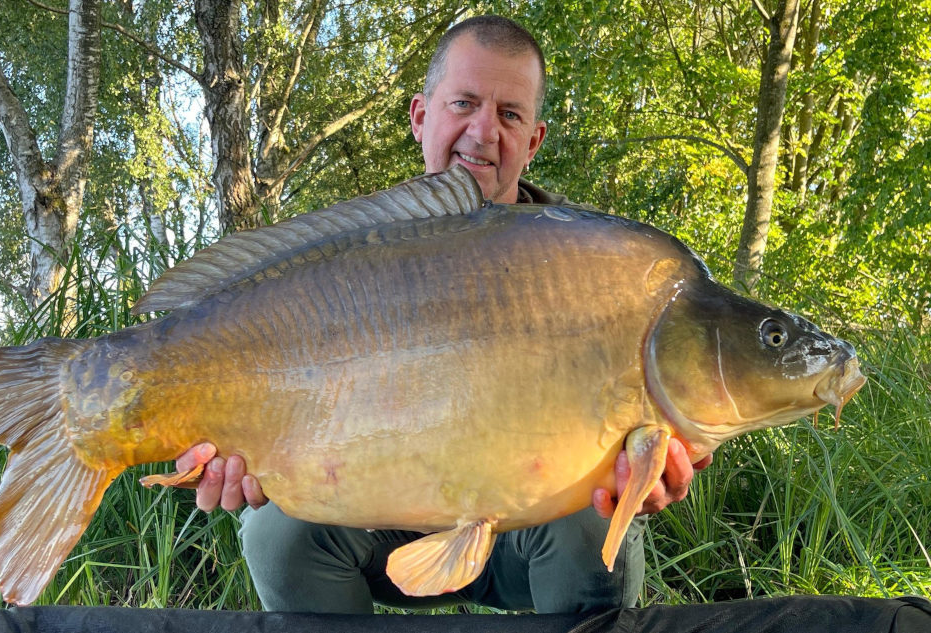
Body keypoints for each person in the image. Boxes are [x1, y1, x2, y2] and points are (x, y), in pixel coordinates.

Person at [175, 15, 711, 614]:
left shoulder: (594, 268)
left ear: (533, 140)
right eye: (463, 103)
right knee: (277, 531)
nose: (483, 132)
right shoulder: (347, 261)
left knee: (593, 529)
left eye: (510, 114)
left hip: (538, 531)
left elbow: (665, 409)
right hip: (379, 526)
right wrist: (224, 451)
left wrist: (657, 466)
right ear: (420, 116)